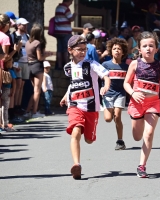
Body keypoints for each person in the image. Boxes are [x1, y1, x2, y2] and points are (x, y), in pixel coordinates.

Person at [59, 35, 110, 179]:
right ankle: (77, 165)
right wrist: (66, 95)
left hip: (92, 107)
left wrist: (105, 86)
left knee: (89, 139)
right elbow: (74, 83)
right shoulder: (68, 67)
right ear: (70, 50)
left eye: (84, 49)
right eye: (79, 49)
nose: (82, 52)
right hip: (75, 105)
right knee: (75, 132)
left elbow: (106, 76)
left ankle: (89, 134)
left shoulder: (92, 64)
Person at [123, 31, 160, 178]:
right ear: (139, 49)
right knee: (137, 136)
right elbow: (126, 83)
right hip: (136, 103)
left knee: (148, 134)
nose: (148, 48)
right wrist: (133, 93)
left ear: (156, 49)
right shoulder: (135, 64)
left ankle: (142, 166)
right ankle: (137, 130)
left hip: (153, 103)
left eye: (151, 46)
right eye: (145, 46)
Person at [102, 38, 129, 150]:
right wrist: (102, 88)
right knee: (108, 119)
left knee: (117, 117)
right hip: (108, 94)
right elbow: (101, 78)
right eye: (114, 49)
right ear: (110, 51)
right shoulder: (105, 65)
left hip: (120, 94)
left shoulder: (126, 67)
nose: (117, 50)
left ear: (123, 52)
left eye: (119, 49)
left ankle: (120, 141)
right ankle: (111, 111)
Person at [24, 23, 52, 119]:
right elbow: (40, 58)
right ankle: (35, 112)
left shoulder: (28, 42)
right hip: (37, 66)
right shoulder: (38, 43)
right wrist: (47, 55)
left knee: (34, 90)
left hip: (29, 66)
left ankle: (28, 110)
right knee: (37, 91)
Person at [11, 18, 30, 116]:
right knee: (17, 86)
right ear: (18, 25)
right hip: (17, 62)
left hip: (26, 62)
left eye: (26, 25)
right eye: (23, 25)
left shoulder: (27, 36)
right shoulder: (13, 35)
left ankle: (19, 106)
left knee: (21, 86)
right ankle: (14, 108)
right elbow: (12, 52)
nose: (25, 26)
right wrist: (14, 64)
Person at [54, 0, 76, 69]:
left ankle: (59, 65)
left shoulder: (58, 7)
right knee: (66, 49)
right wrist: (74, 15)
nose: (71, 3)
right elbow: (71, 19)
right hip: (65, 32)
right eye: (71, 1)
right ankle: (66, 65)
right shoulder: (66, 8)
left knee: (59, 50)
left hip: (58, 31)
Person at [0, 58, 17, 132]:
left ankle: (1, 123)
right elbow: (14, 83)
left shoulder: (1, 71)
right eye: (11, 62)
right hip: (7, 91)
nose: (12, 64)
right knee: (5, 108)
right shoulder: (11, 72)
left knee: (1, 108)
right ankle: (5, 124)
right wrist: (13, 92)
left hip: (1, 90)